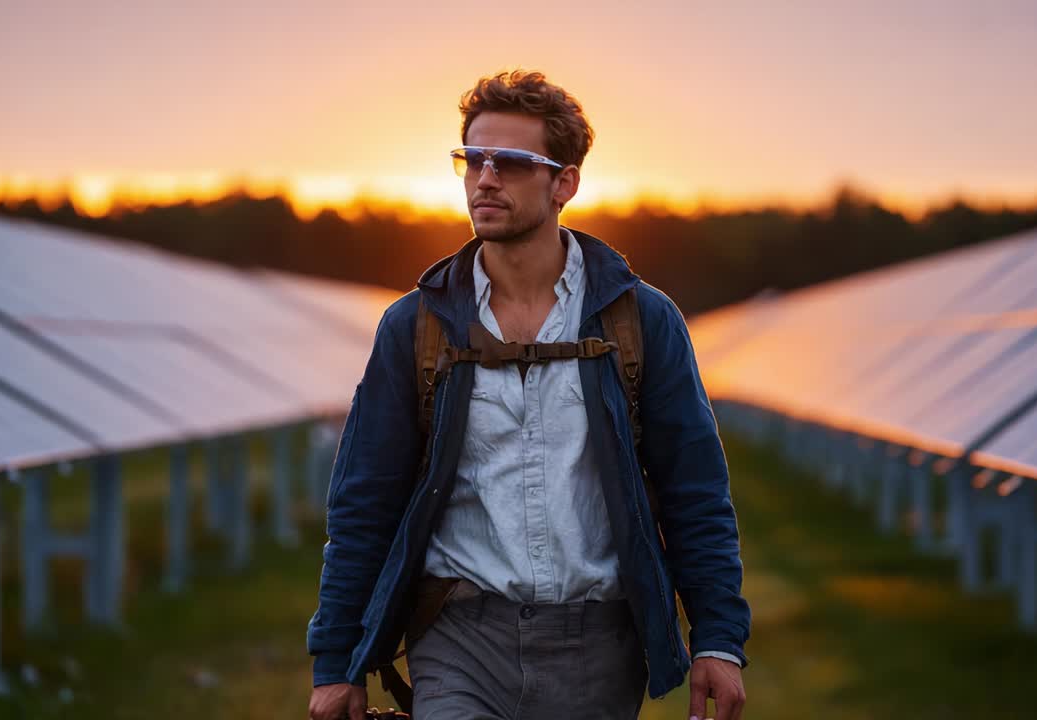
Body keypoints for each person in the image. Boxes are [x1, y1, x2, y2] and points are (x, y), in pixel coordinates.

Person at [307, 69, 750, 720]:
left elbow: (695, 491)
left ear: (564, 181)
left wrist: (718, 637)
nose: (485, 178)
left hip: (598, 642)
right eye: (472, 159)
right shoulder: (418, 326)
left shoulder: (640, 321)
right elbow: (364, 501)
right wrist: (336, 660)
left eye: (511, 162)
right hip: (457, 633)